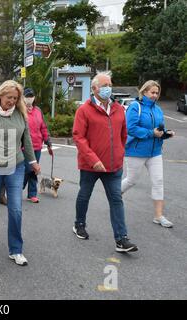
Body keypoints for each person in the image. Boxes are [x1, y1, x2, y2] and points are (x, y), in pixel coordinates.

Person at [0, 80, 41, 266]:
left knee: (16, 208)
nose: (12, 101)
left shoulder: (20, 113)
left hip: (15, 165)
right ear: (0, 95)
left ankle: (16, 250)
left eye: (15, 98)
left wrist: (33, 162)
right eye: (9, 97)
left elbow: (26, 139)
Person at [72, 71, 138, 253]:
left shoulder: (118, 109)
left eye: (109, 84)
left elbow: (123, 135)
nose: (108, 88)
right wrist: (93, 160)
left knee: (116, 199)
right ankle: (79, 224)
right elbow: (78, 137)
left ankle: (121, 238)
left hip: (113, 166)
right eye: (104, 85)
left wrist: (119, 152)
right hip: (90, 166)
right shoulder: (84, 110)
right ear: (94, 89)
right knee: (84, 195)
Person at [121, 80, 175, 228]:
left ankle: (158, 216)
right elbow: (130, 128)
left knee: (158, 182)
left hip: (155, 152)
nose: (155, 95)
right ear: (144, 92)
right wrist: (152, 133)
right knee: (131, 180)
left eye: (157, 93)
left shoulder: (158, 109)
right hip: (136, 151)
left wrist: (165, 134)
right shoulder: (134, 107)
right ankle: (115, 197)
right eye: (152, 92)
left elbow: (159, 129)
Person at [22, 87, 53, 203]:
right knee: (27, 169)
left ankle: (32, 194)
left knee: (34, 170)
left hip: (37, 146)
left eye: (31, 96)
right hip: (24, 147)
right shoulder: (20, 110)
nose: (29, 98)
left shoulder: (38, 111)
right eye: (27, 96)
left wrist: (48, 142)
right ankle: (15, 189)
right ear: (23, 98)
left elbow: (43, 127)